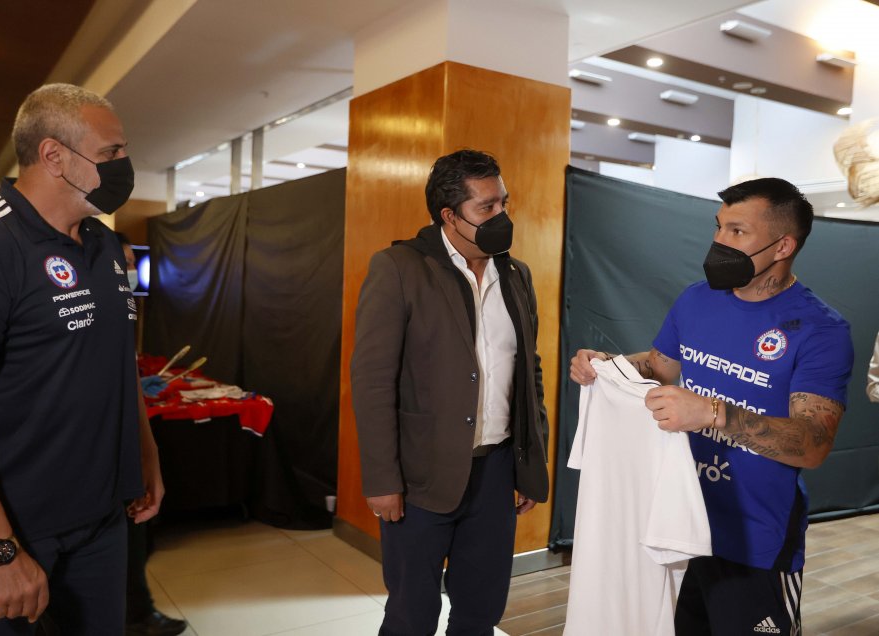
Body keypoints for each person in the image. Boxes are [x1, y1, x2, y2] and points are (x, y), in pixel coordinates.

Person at [0, 83, 164, 634]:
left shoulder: (104, 247)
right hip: (2, 533)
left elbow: (116, 365)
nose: (124, 164)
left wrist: (144, 455)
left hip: (99, 525)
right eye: (111, 153)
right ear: (54, 155)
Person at [569, 177, 853, 635]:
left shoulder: (821, 330)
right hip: (676, 520)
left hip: (754, 538)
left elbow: (813, 443)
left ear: (783, 246)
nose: (720, 241)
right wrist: (611, 364)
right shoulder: (696, 299)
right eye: (719, 228)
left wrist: (712, 412)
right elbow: (661, 367)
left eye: (737, 232)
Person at [351, 149, 550, 635]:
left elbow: (530, 372)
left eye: (504, 202)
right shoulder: (399, 267)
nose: (502, 215)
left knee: (481, 611)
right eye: (487, 207)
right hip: (420, 476)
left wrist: (530, 461)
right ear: (450, 215)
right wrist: (382, 478)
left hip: (497, 471)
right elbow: (372, 379)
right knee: (411, 616)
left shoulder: (517, 275)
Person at [116, 232, 187, 636]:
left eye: (129, 263)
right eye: (122, 263)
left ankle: (138, 614)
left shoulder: (124, 314)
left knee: (136, 541)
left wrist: (149, 457)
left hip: (125, 452)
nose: (127, 272)